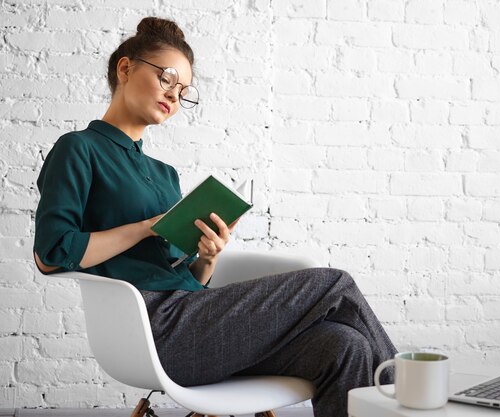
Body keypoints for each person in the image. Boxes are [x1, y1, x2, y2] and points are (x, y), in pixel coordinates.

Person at [33, 17, 396, 417]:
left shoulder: (164, 174)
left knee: (347, 345)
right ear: (125, 68)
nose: (174, 95)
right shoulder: (79, 149)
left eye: (183, 91)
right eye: (167, 79)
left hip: (199, 320)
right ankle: (410, 392)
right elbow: (50, 253)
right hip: (158, 331)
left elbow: (184, 274)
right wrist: (144, 228)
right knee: (335, 284)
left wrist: (207, 257)